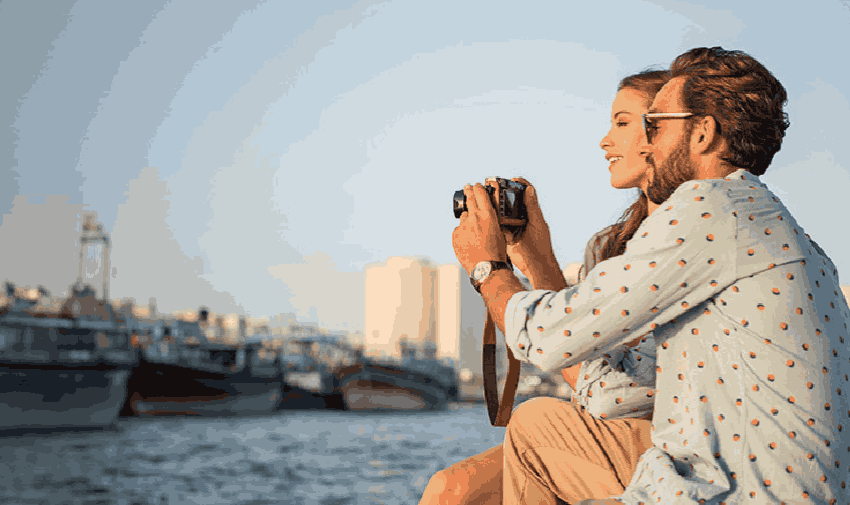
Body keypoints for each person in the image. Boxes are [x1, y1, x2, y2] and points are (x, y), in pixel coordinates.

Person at [453, 45, 850, 504]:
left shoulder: (710, 207)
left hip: (729, 494)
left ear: (702, 133)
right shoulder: (780, 230)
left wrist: (488, 266)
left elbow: (546, 337)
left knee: (534, 427)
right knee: (528, 433)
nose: (647, 142)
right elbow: (609, 377)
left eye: (656, 125)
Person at [419, 70, 669, 505]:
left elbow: (611, 393)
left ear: (668, 133)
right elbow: (587, 369)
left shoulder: (681, 237)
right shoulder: (608, 245)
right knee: (451, 489)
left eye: (622, 122)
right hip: (609, 426)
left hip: (665, 436)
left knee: (533, 421)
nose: (604, 141)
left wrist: (489, 270)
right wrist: (536, 259)